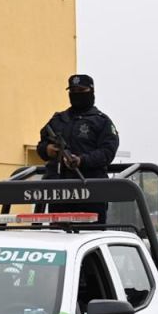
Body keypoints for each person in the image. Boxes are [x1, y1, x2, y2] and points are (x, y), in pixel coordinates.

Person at [35, 74, 119, 223]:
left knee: (91, 237)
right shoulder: (58, 120)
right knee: (58, 237)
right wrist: (48, 150)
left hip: (90, 191)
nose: (76, 94)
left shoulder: (101, 121)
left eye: (81, 90)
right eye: (73, 90)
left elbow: (107, 152)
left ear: (91, 91)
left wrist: (81, 160)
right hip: (59, 193)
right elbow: (41, 145)